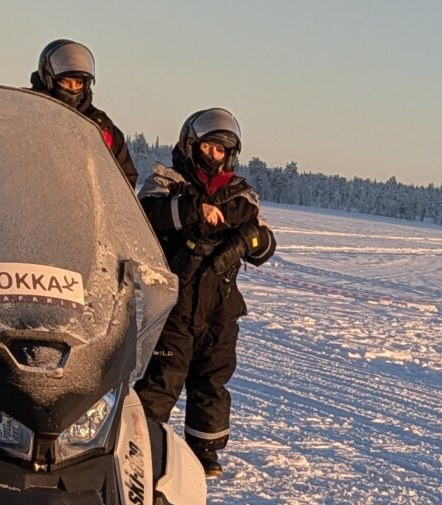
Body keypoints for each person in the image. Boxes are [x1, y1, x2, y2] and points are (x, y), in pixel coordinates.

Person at [137, 107, 275, 478]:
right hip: (173, 300)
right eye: (207, 147)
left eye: (220, 150)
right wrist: (194, 211)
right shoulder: (166, 181)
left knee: (212, 380)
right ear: (190, 145)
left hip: (219, 305)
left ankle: (205, 451)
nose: (212, 156)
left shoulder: (241, 193)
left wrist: (248, 238)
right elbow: (147, 214)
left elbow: (263, 243)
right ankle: (142, 445)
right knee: (162, 379)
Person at [30, 39, 137, 188]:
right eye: (66, 82)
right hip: (29, 197)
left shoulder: (100, 126)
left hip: (82, 204)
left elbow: (125, 178)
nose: (73, 88)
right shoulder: (26, 110)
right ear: (49, 79)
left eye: (78, 83)